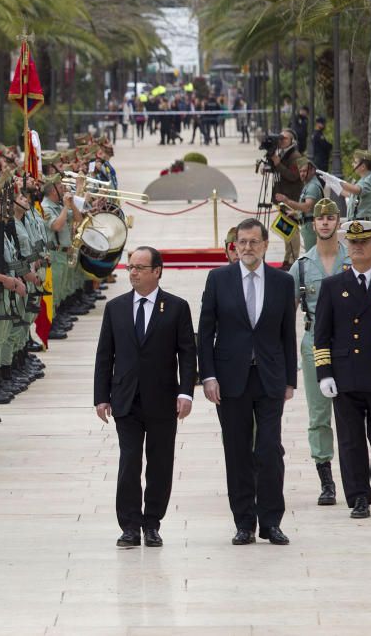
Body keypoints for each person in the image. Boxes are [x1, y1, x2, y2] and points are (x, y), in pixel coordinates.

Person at [198, 218, 297, 546]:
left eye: (254, 242)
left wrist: (290, 379)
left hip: (269, 377)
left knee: (270, 449)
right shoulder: (218, 279)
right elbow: (206, 332)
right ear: (235, 245)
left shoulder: (282, 282)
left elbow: (287, 333)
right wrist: (208, 376)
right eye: (242, 242)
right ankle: (244, 522)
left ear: (266, 245)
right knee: (237, 450)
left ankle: (271, 521)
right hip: (230, 379)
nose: (247, 248)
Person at [94, 247, 196, 548]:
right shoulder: (116, 308)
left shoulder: (176, 307)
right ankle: (129, 525)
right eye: (131, 268)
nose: (134, 273)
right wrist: (101, 396)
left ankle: (152, 522)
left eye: (140, 267)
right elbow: (105, 355)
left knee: (160, 463)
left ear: (157, 271)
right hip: (126, 399)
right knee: (129, 462)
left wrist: (186, 392)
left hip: (163, 399)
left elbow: (188, 354)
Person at [313, 219, 371, 519]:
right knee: (350, 441)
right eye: (353, 242)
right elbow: (322, 334)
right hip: (346, 375)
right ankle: (359, 496)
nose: (357, 246)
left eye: (363, 242)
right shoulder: (333, 286)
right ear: (346, 246)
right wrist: (324, 372)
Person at [290, 199, 349, 506]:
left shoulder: (352, 259)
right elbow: (286, 312)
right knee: (318, 415)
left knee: (357, 412)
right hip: (315, 344)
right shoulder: (302, 266)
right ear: (313, 224)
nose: (325, 222)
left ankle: (362, 477)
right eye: (320, 218)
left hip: (351, 345)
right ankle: (326, 480)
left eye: (330, 217)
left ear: (338, 222)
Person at [270, 129, 303, 269]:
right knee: (286, 229)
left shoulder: (295, 156)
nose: (281, 141)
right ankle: (287, 258)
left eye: (285, 139)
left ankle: (293, 259)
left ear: (292, 141)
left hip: (291, 197)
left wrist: (278, 164)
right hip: (283, 197)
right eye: (280, 138)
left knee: (292, 230)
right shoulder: (282, 154)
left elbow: (293, 176)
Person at [275, 158, 323, 251]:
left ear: (313, 170)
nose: (302, 174)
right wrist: (296, 212)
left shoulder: (312, 186)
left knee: (311, 256)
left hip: (311, 227)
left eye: (305, 171)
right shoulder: (309, 184)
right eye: (300, 171)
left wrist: (287, 201)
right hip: (308, 225)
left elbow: (307, 207)